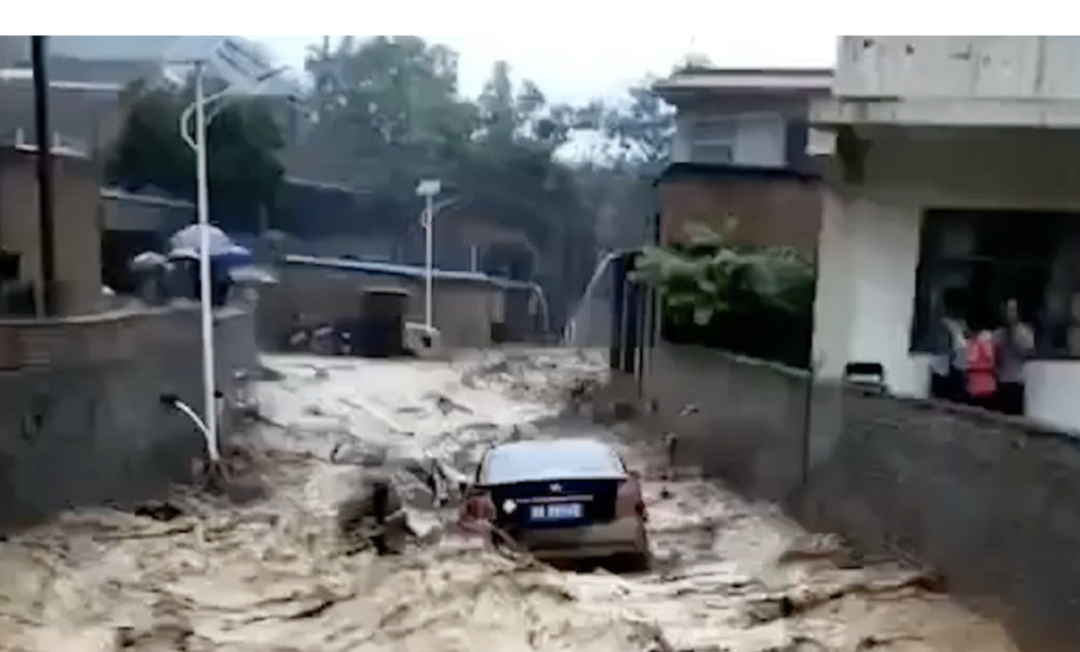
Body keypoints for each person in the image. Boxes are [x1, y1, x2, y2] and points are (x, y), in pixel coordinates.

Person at [995, 297, 1035, 416]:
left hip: (1017, 381)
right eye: (1006, 310)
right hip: (1002, 381)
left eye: (1012, 310)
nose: (1009, 314)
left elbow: (1030, 353)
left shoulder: (1025, 332)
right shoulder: (998, 333)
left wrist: (1015, 339)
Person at [929, 288, 968, 403]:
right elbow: (945, 354)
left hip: (955, 374)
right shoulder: (945, 327)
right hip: (946, 376)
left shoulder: (960, 326)